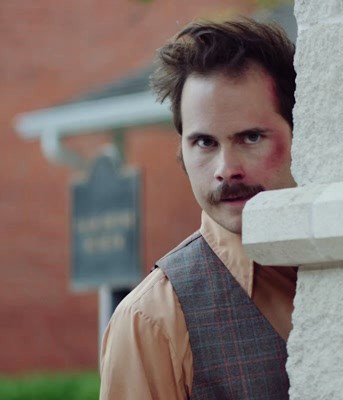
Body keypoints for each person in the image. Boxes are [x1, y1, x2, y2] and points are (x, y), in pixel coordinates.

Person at [99, 17, 298, 399]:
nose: (226, 169)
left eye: (250, 137)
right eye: (205, 143)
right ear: (182, 152)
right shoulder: (151, 320)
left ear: (299, 134)